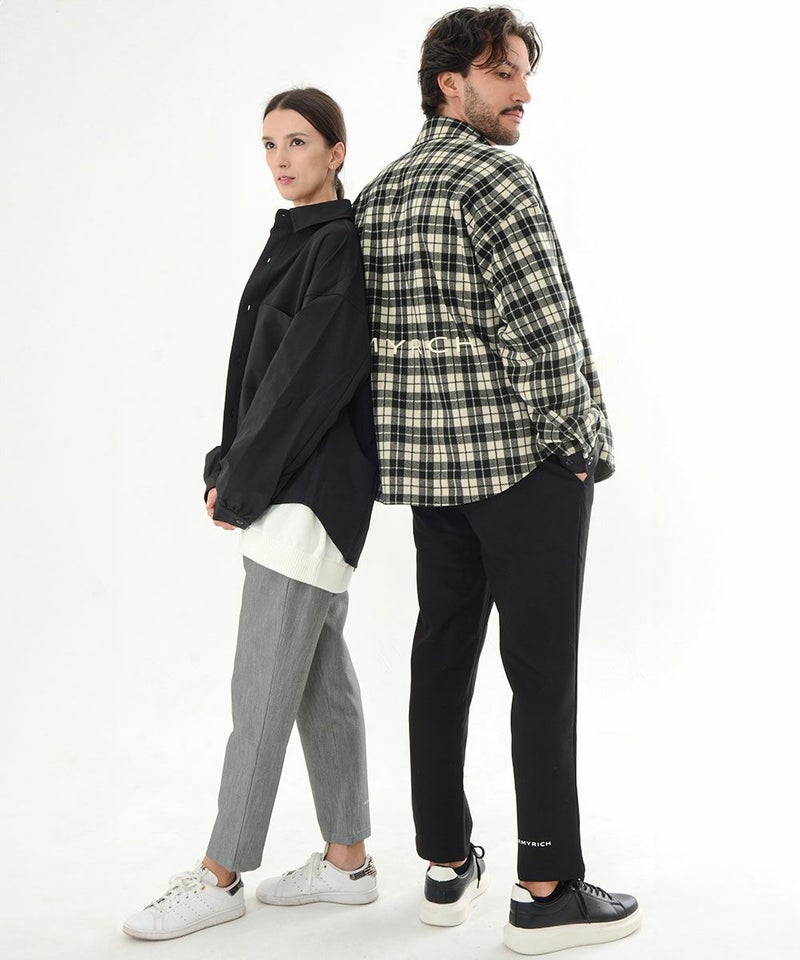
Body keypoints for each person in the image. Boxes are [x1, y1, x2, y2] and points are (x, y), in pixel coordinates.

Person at [353, 7, 640, 955]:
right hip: (524, 465)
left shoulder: (381, 192)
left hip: (435, 476)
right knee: (541, 673)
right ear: (452, 84)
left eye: (522, 73)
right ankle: (547, 889)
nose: (523, 92)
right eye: (503, 73)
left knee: (441, 659)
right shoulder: (496, 178)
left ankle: (445, 865)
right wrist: (582, 440)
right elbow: (545, 329)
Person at [123, 87, 380, 942]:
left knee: (261, 688)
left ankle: (221, 874)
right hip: (293, 487)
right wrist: (227, 462)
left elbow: (306, 383)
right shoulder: (298, 238)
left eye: (298, 142)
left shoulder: (334, 244)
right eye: (269, 144)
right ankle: (348, 861)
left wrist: (240, 483)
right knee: (316, 682)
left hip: (308, 493)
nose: (280, 159)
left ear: (336, 152)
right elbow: (262, 377)